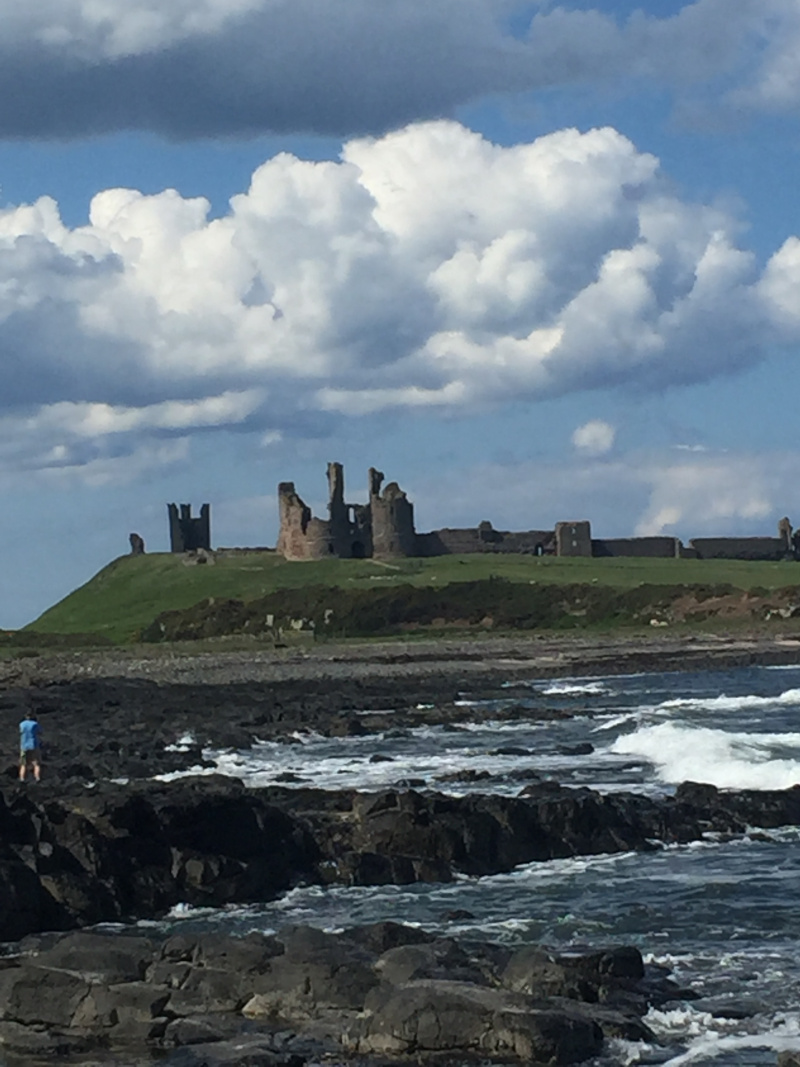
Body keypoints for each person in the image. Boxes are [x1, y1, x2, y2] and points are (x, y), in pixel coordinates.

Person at [19, 711, 41, 782]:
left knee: (23, 764)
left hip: (24, 746)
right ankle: (37, 777)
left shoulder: (22, 724)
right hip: (33, 745)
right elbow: (40, 731)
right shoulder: (35, 724)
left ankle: (22, 778)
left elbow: (21, 731)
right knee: (36, 763)